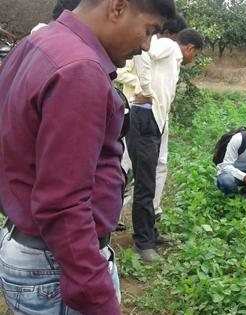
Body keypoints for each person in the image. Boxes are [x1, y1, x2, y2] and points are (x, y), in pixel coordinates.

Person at [0, 0, 175, 314]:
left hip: (28, 245)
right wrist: (98, 297)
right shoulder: (79, 70)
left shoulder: (37, 44)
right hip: (57, 264)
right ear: (118, 7)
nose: (147, 46)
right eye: (148, 30)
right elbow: (63, 204)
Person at [126, 28, 203, 263]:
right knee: (145, 184)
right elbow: (141, 48)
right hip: (143, 119)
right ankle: (143, 244)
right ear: (190, 48)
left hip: (153, 121)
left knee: (150, 181)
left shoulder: (172, 59)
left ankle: (149, 233)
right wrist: (146, 90)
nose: (194, 59)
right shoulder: (169, 47)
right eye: (196, 54)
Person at [117, 13, 187, 206]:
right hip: (138, 109)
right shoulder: (152, 48)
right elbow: (121, 73)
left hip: (156, 112)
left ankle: (152, 208)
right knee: (129, 165)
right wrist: (144, 88)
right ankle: (117, 208)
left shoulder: (164, 52)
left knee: (157, 164)